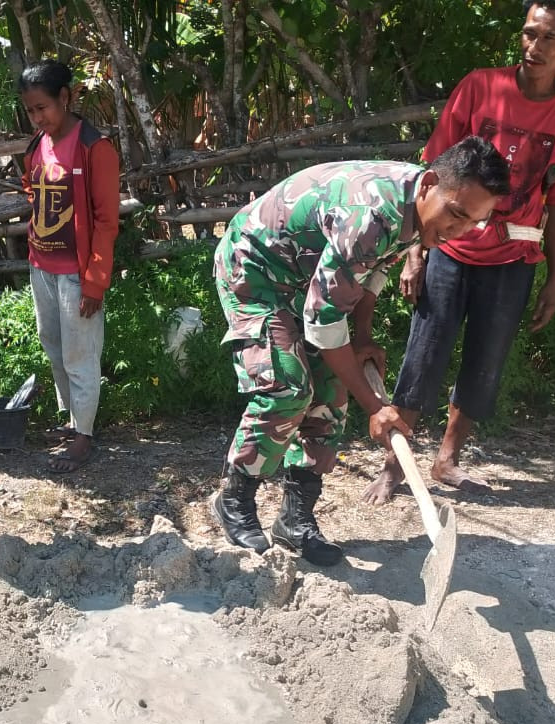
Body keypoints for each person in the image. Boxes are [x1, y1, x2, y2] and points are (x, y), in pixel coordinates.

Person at [211, 138, 511, 565]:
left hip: (309, 276)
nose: (458, 230)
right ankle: (235, 499)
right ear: (429, 185)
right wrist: (376, 406)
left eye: (473, 223)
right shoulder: (372, 215)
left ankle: (296, 520)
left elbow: (371, 272)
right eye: (456, 214)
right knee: (286, 388)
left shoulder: (415, 209)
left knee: (332, 392)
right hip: (257, 269)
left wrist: (364, 337)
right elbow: (324, 321)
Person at [363, 0, 555, 504]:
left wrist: (553, 278)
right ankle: (394, 467)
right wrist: (414, 252)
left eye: (549, 37)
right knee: (424, 353)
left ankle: (447, 460)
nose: (534, 46)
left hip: (514, 258)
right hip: (450, 246)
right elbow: (432, 177)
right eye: (529, 33)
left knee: (486, 360)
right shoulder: (480, 87)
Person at [18, 60, 121, 473]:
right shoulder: (36, 145)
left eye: (42, 107)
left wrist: (95, 281)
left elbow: (106, 220)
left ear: (66, 97)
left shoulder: (95, 147)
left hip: (77, 272)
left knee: (80, 351)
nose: (37, 117)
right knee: (53, 344)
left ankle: (85, 434)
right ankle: (73, 418)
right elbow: (33, 190)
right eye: (30, 110)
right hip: (41, 263)